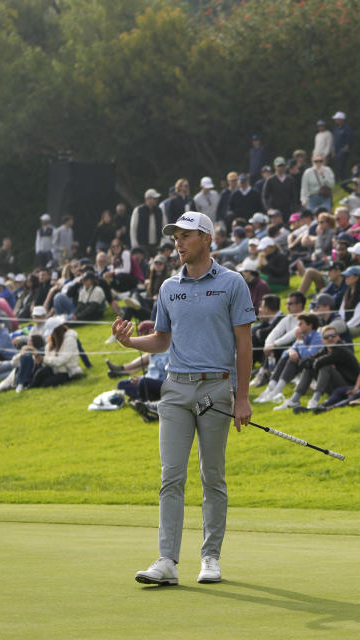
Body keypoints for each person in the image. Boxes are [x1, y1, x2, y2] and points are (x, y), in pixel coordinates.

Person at [112, 211, 255, 587]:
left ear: (207, 238)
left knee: (212, 476)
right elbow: (162, 339)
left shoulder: (232, 283)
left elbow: (244, 344)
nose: (178, 242)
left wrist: (242, 398)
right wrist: (130, 342)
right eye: (175, 236)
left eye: (186, 235)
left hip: (215, 389)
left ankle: (210, 557)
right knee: (171, 476)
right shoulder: (168, 287)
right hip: (175, 388)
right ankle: (167, 561)